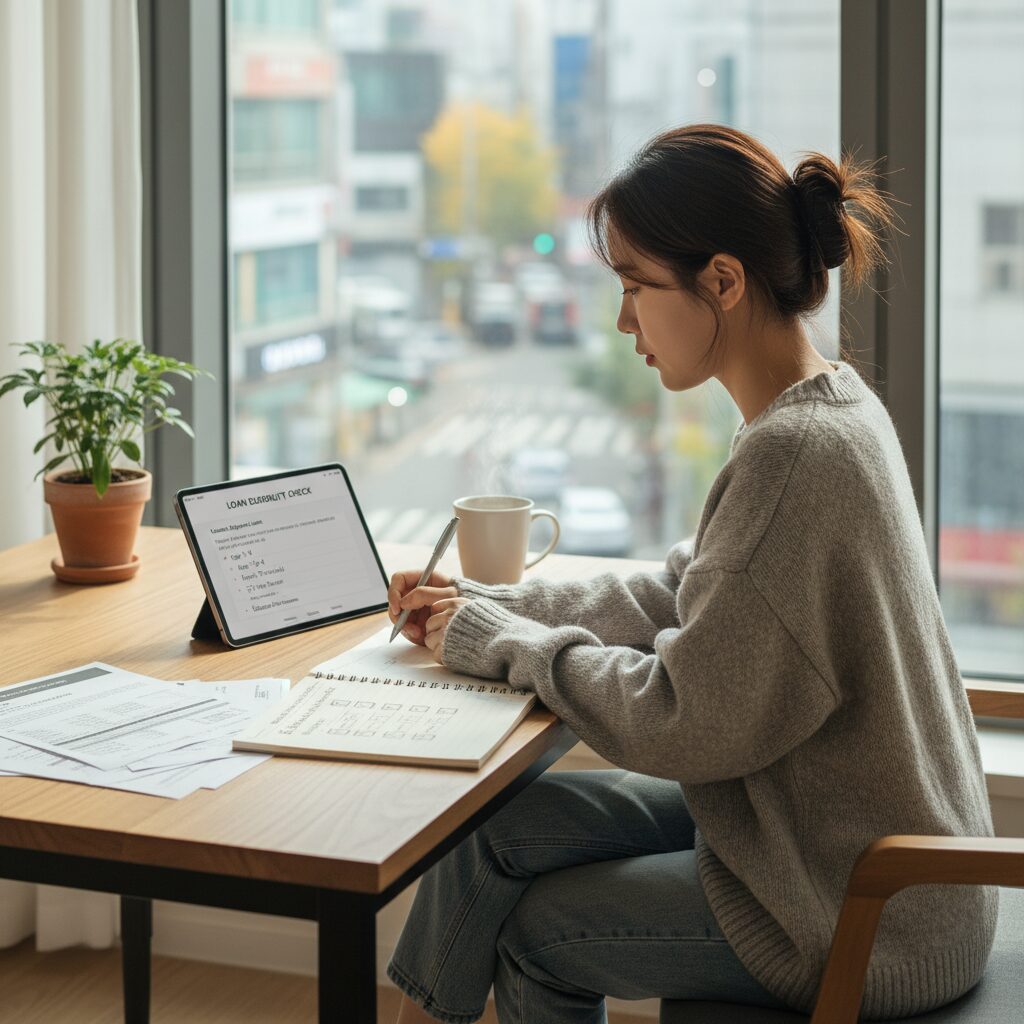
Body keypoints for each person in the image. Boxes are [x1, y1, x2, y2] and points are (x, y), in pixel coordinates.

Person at [383, 124, 996, 1024]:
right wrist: (483, 604)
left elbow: (678, 719)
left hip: (855, 912)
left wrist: (501, 640)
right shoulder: (829, 408)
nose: (623, 321)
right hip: (810, 840)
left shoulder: (798, 454)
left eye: (635, 287)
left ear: (723, 281)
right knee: (494, 834)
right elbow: (682, 591)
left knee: (537, 931)